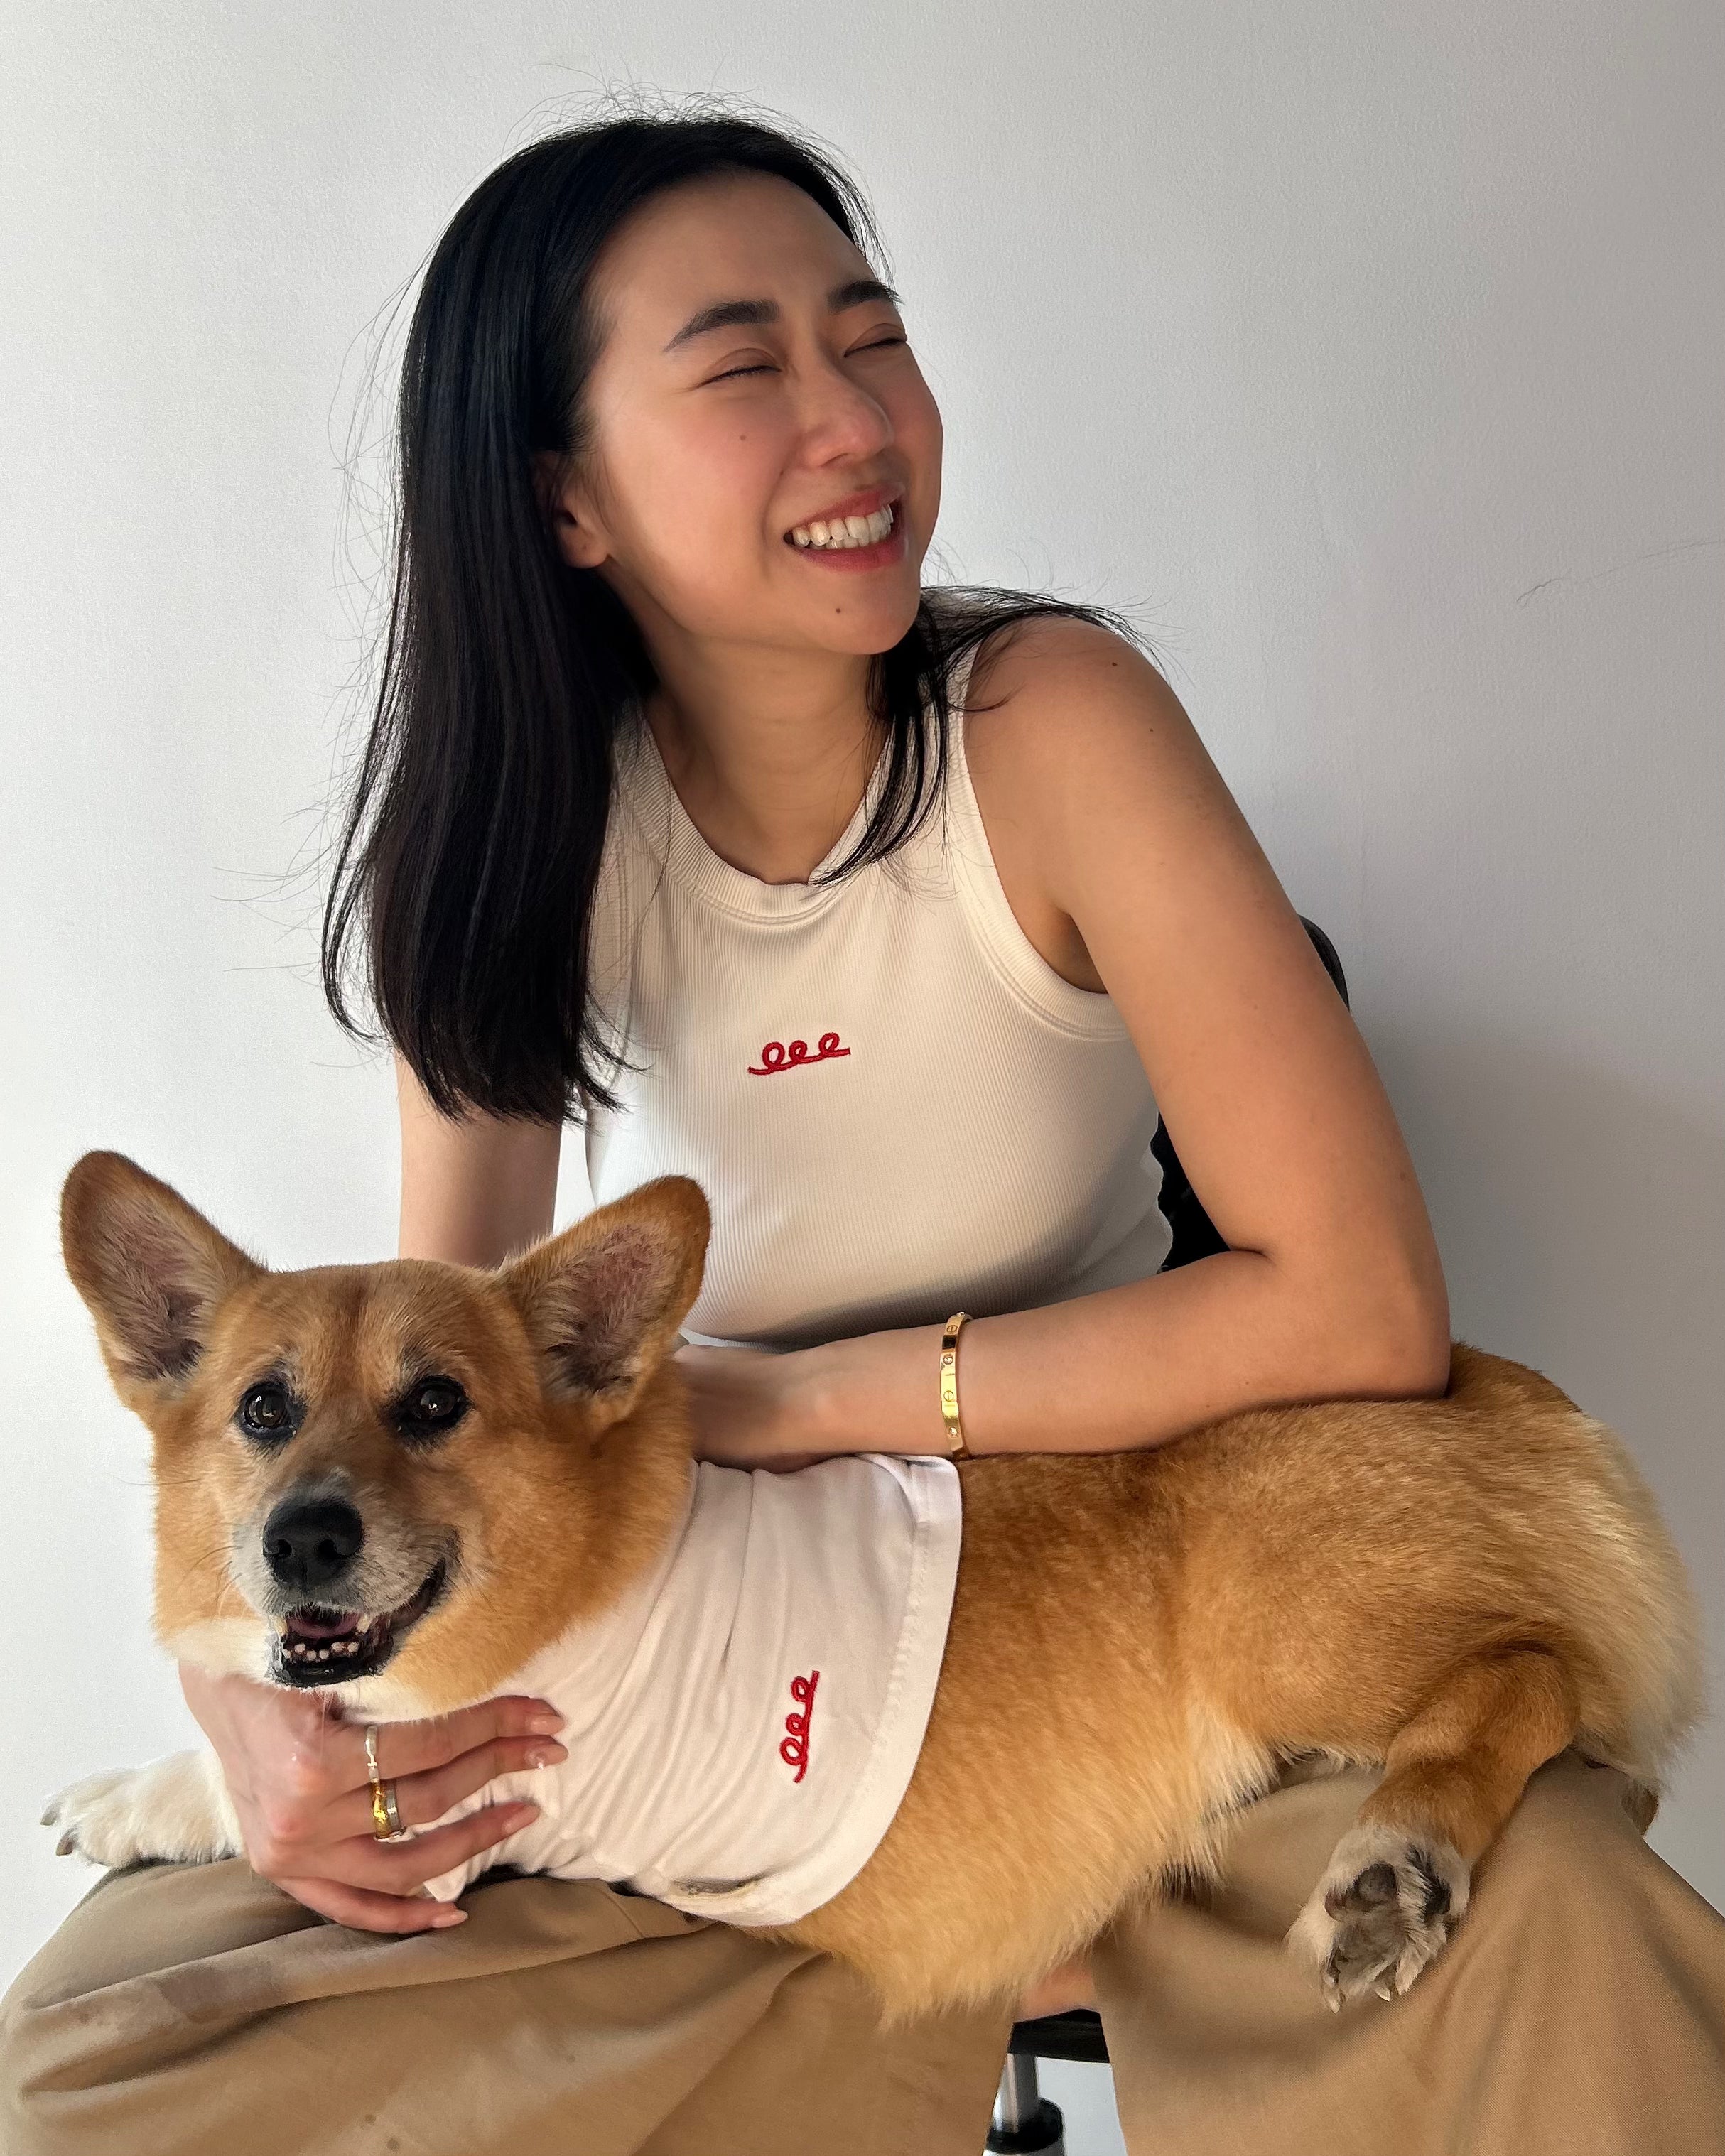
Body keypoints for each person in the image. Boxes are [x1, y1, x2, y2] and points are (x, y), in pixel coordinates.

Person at [6, 102, 1724, 2156]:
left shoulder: (1048, 725)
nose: (855, 421)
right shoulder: (509, 852)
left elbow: (1357, 1307)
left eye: (873, 339)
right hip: (718, 1690)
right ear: (565, 496)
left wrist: (802, 1401)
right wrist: (255, 1717)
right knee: (98, 2059)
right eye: (744, 369)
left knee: (1566, 1948)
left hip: (1119, 1600)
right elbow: (417, 1389)